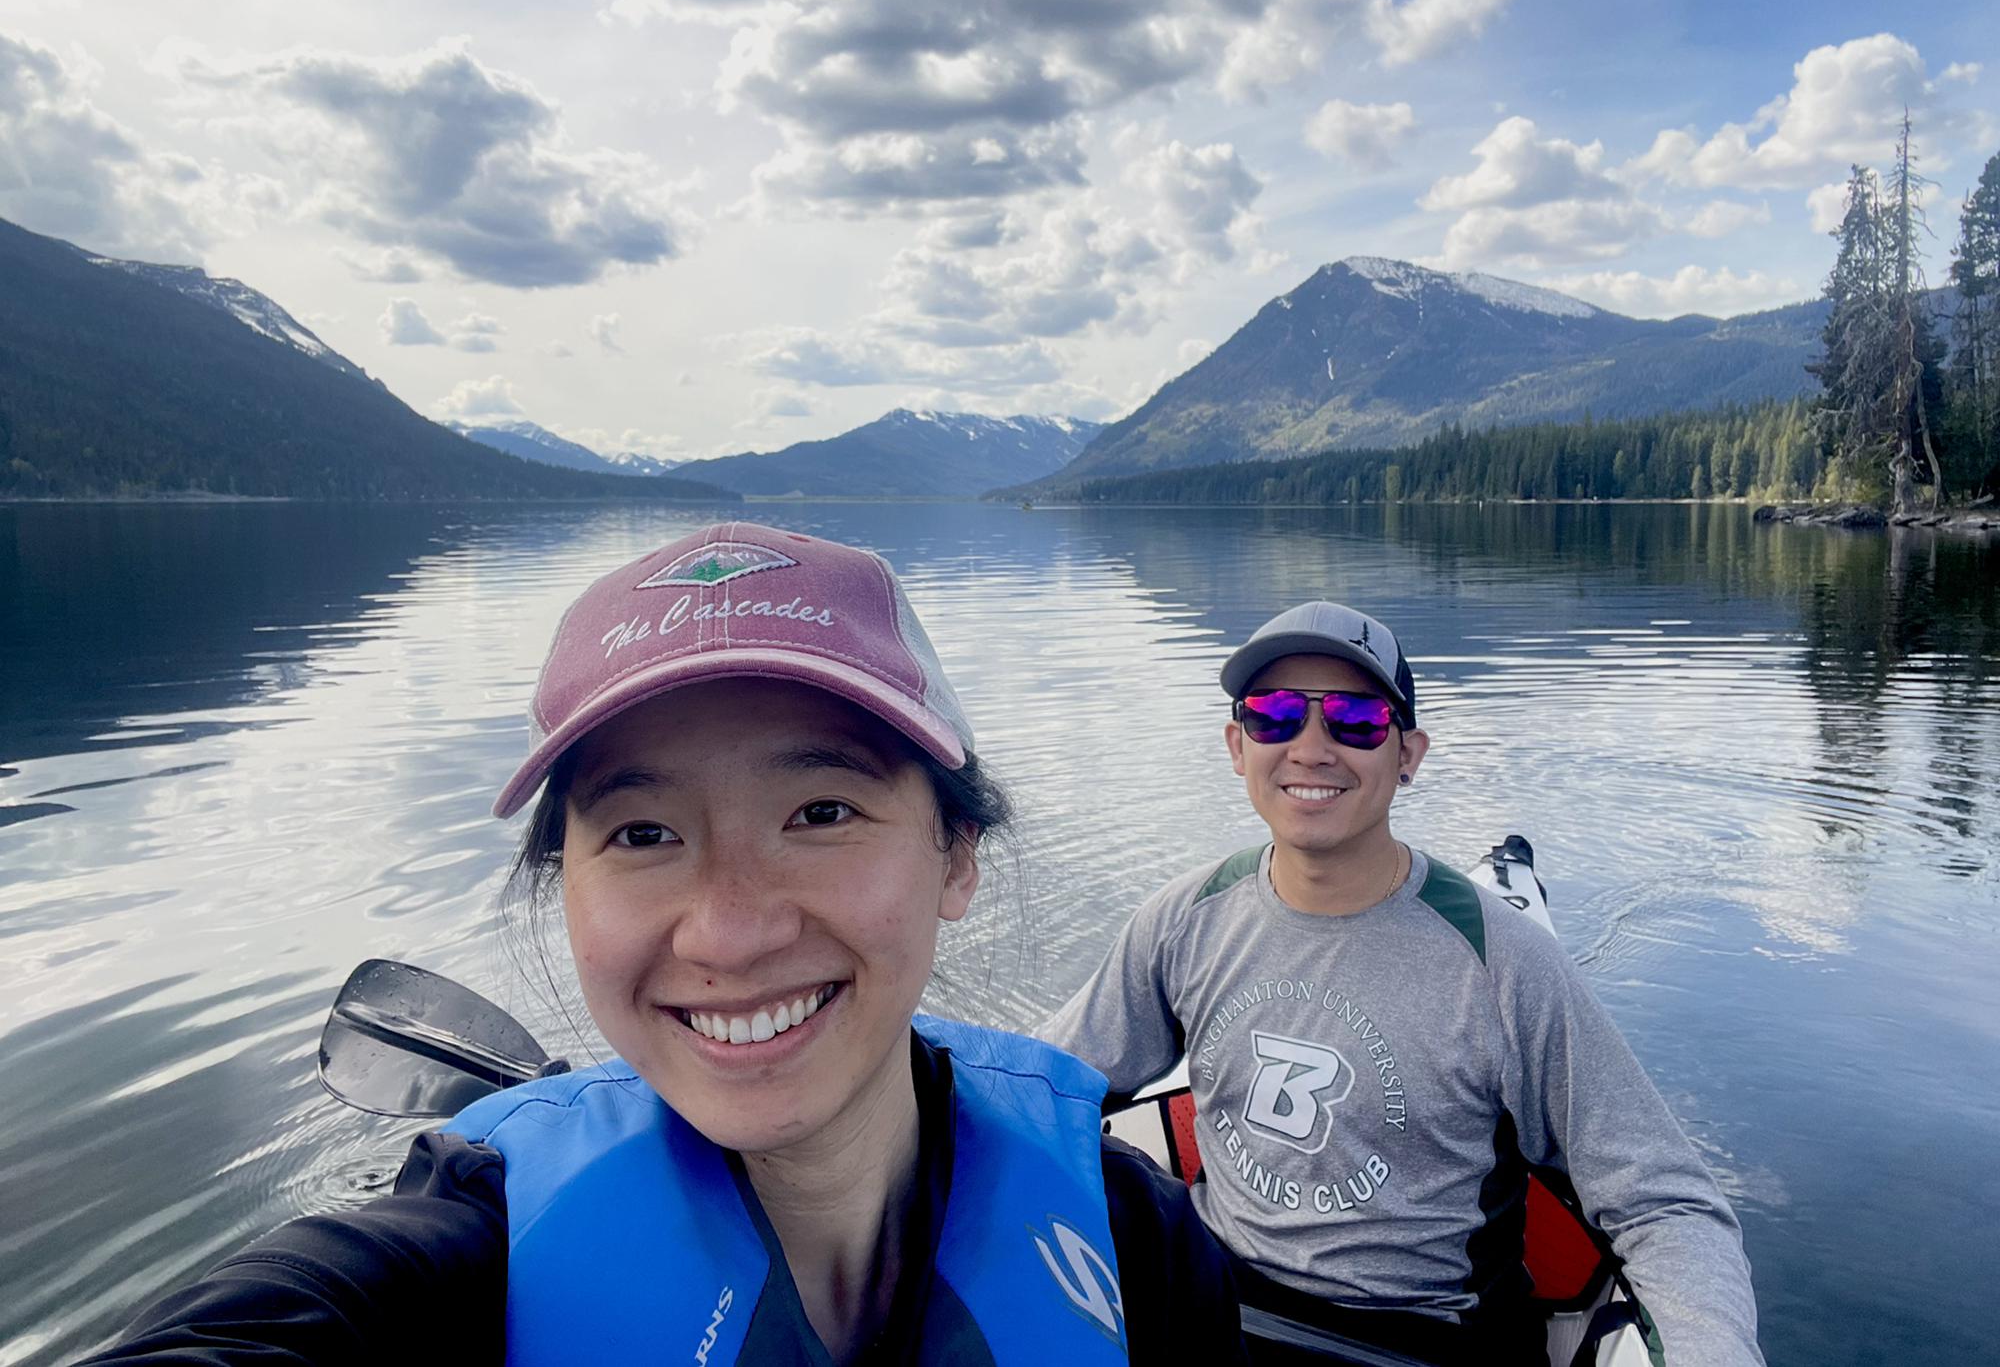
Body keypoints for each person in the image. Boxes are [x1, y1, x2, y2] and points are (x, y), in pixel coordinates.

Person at [84, 522, 1245, 1366]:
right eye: (643, 833)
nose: (731, 932)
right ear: (566, 890)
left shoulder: (1138, 1246)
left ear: (955, 855)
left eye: (820, 813)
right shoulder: (462, 1254)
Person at [1040, 600, 1764, 1366]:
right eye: (1275, 715)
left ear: (1408, 754)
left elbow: (1666, 1199)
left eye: (1354, 721)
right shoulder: (1186, 919)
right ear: (1235, 744)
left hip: (1419, 1343)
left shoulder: (1502, 962)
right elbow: (1038, 1084)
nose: (1310, 749)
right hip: (1221, 1321)